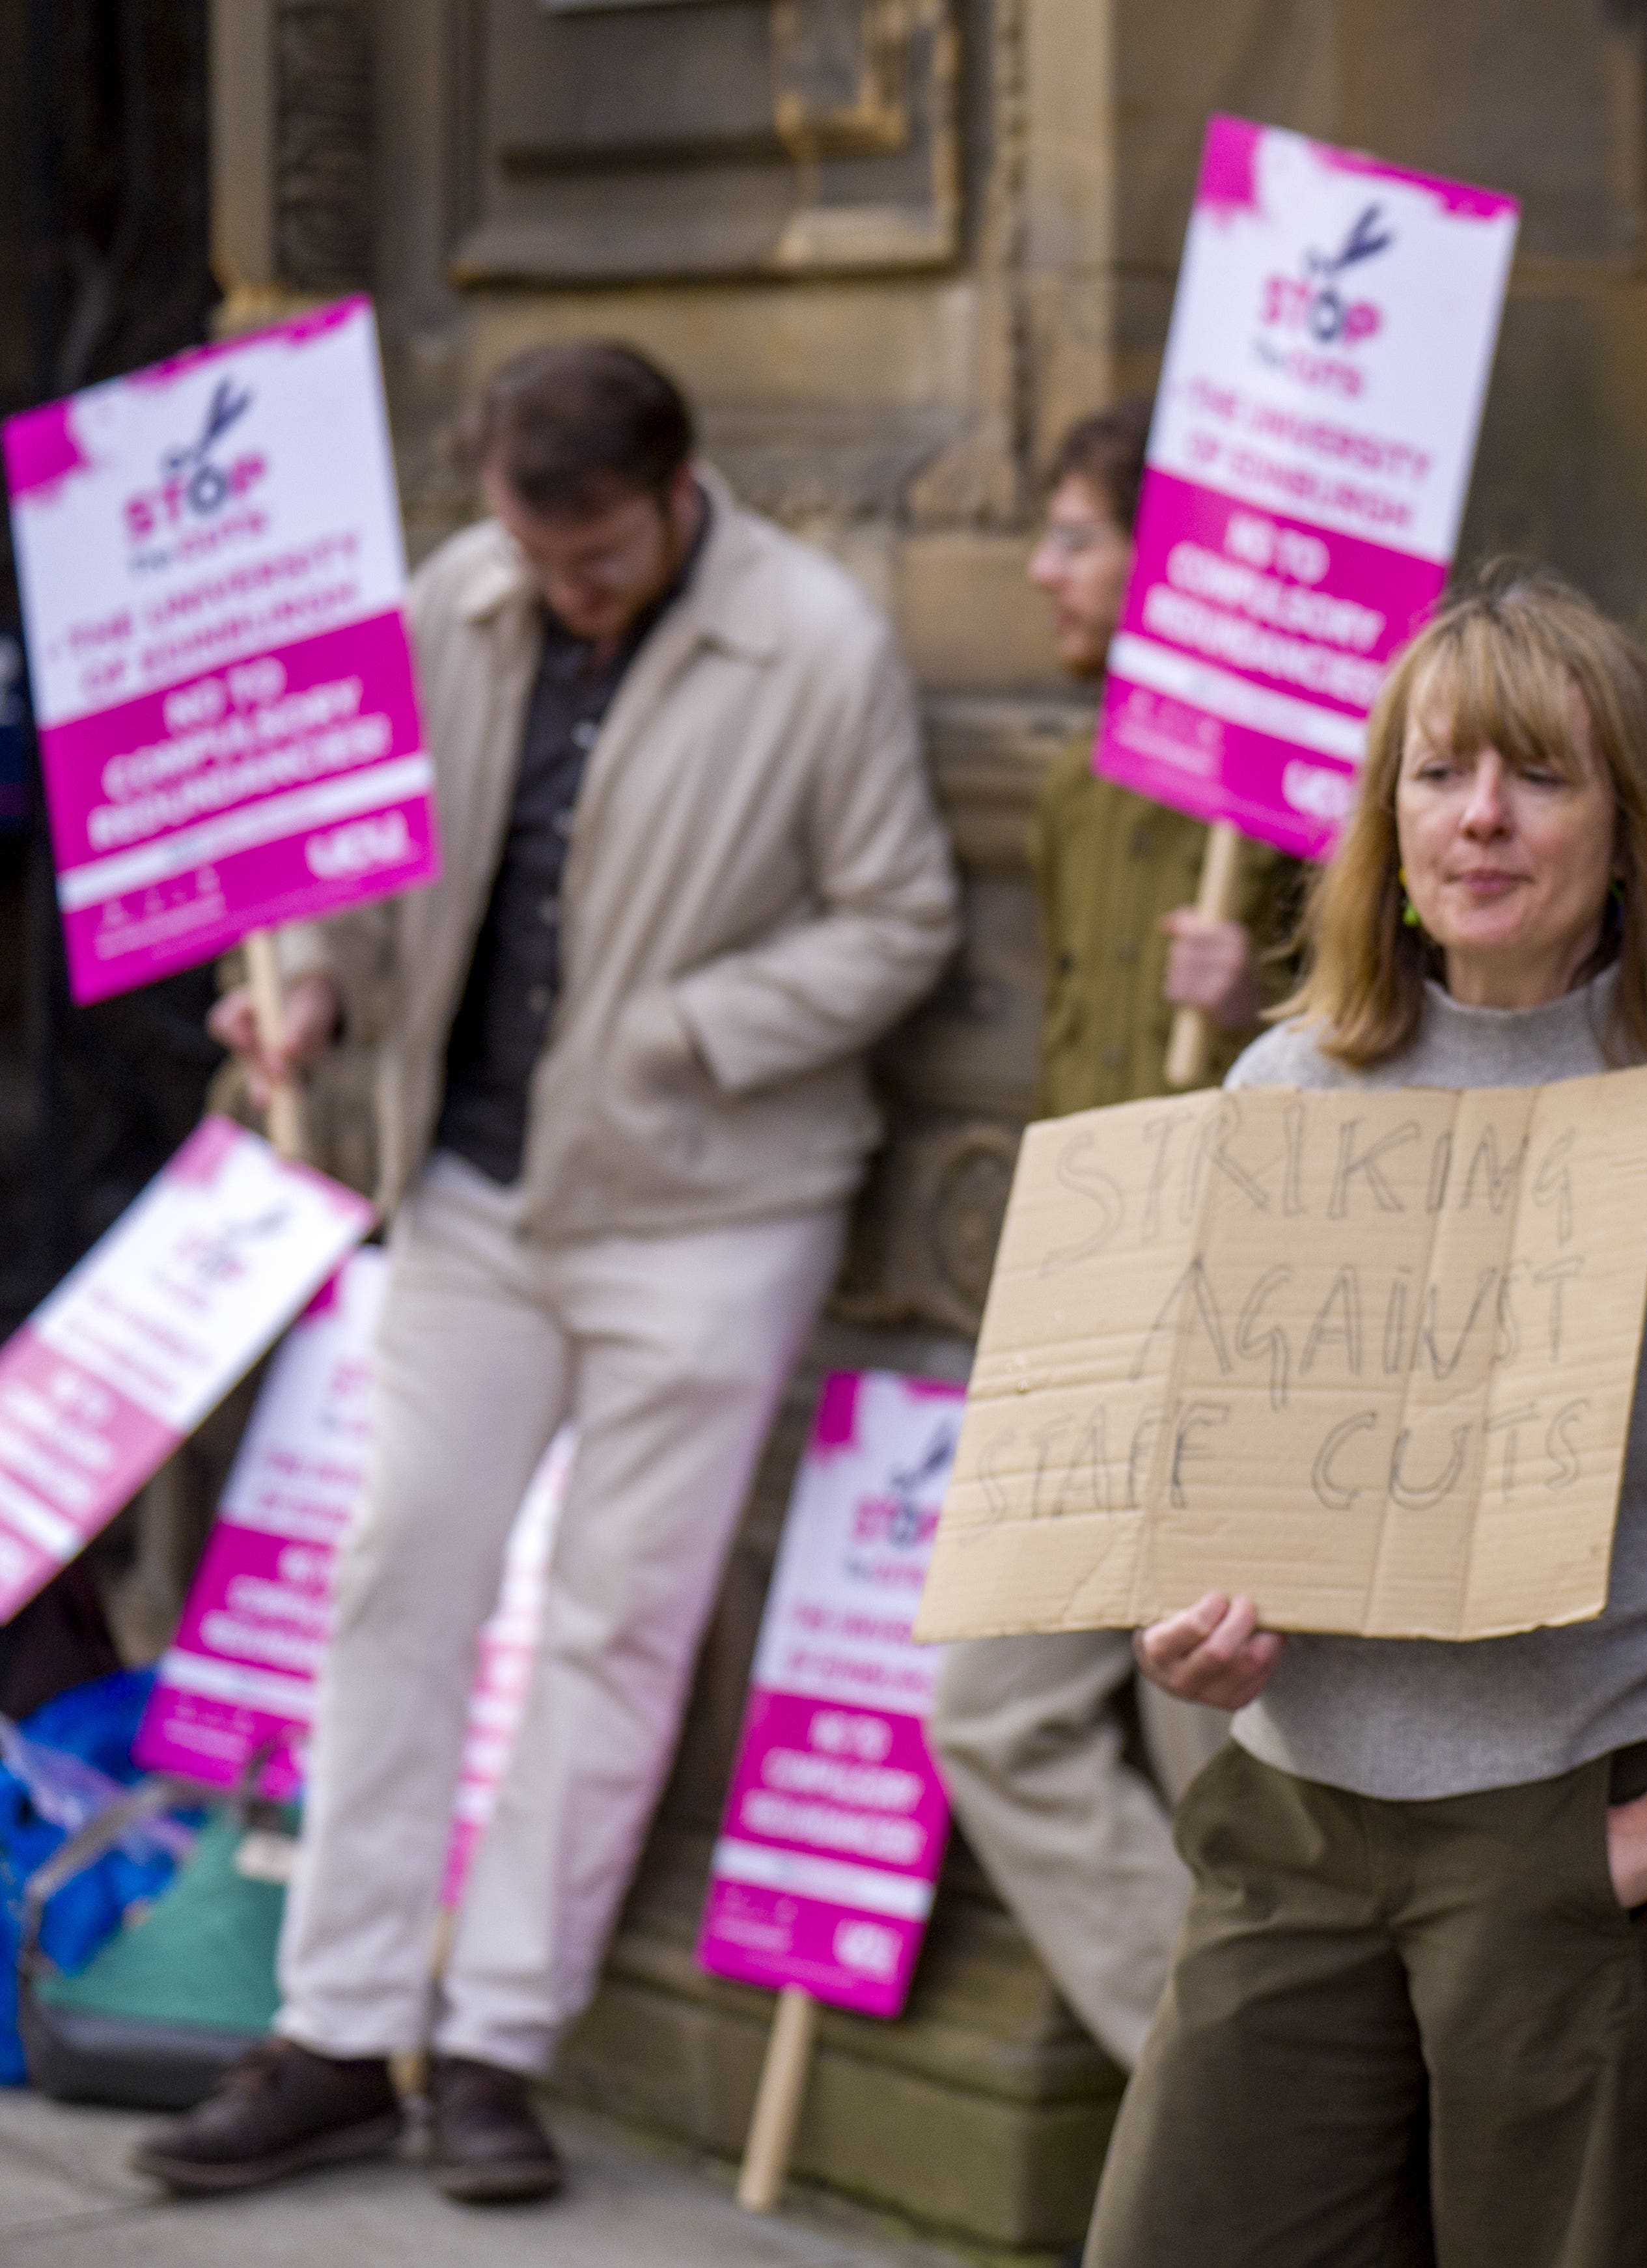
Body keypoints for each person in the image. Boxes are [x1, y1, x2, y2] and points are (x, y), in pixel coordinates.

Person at [139, 342, 959, 2204]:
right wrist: (325, 983)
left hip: (714, 1211)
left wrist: (689, 1028)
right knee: (391, 1582)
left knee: (615, 1624)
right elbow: (365, 855)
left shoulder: (815, 642)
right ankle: (340, 2031)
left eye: (593, 558)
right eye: (534, 551)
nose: (560, 589)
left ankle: (499, 2040)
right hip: (473, 1188)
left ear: (680, 491)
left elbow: (901, 913)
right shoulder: (456, 595)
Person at [1086, 566, 1647, 2268]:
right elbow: (1199, 1474)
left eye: (1538, 775)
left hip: (1594, 1832)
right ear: (1384, 817)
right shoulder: (1283, 1090)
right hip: (1297, 1824)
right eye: (1439, 774)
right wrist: (1182, 1621)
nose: (1480, 818)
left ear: (1629, 826)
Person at [925, 402, 1299, 2077]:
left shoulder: (1316, 788)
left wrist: (1265, 989)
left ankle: (1273, 2148)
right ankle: (1218, 2096)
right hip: (1083, 1307)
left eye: (1078, 534)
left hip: (1233, 1324)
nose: (1039, 568)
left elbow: (1431, 1032)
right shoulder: (1082, 775)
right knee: (990, 1714)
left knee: (1209, 1760)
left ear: (1173, 571)